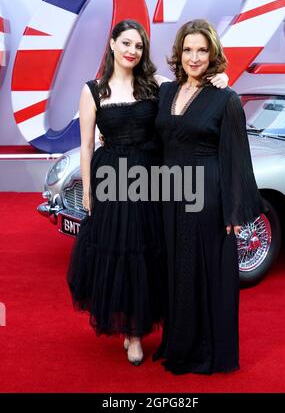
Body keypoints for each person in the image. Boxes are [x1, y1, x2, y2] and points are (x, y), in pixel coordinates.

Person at [67, 19, 229, 367]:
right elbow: (84, 147)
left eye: (138, 46)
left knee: (148, 256)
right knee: (120, 257)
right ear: (112, 45)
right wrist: (89, 191)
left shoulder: (157, 85)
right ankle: (131, 332)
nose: (132, 51)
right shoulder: (93, 90)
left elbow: (193, 89)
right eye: (126, 43)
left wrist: (222, 79)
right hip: (111, 181)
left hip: (152, 181)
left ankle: (137, 332)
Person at [153, 19, 266, 374]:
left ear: (213, 53)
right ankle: (177, 343)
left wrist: (235, 212)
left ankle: (203, 352)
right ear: (179, 53)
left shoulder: (226, 98)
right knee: (175, 268)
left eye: (202, 50)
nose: (194, 57)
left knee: (201, 269)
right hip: (169, 193)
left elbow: (236, 157)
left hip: (206, 196)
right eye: (188, 49)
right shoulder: (167, 92)